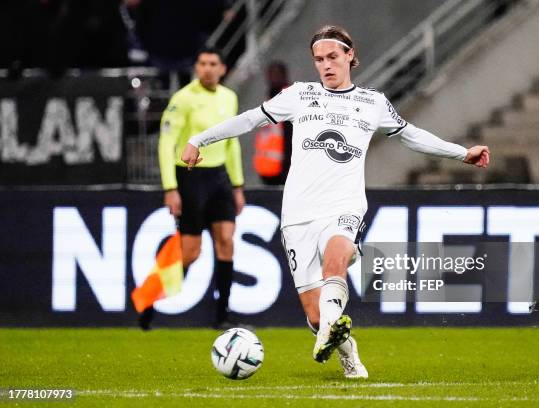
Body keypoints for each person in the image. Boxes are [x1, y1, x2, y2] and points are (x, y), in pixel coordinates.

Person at [181, 26, 490, 378]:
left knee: (335, 260)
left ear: (349, 56)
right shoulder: (299, 95)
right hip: (297, 214)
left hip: (344, 205)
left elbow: (411, 135)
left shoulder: (373, 103)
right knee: (315, 316)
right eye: (318, 59)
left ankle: (331, 331)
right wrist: (200, 139)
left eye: (332, 57)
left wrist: (462, 153)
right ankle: (343, 345)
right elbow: (250, 119)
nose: (325, 65)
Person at [140, 46, 246, 330]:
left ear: (222, 69)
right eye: (202, 63)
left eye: (213, 63)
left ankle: (222, 316)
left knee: (226, 242)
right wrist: (170, 188)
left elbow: (232, 142)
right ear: (197, 68)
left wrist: (237, 185)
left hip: (220, 178)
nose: (207, 68)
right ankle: (148, 302)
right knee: (190, 252)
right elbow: (166, 143)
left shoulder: (229, 97)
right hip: (190, 177)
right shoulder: (183, 99)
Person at [254, 61, 293, 185]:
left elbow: (289, 138)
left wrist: (287, 169)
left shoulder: (287, 99)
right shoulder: (270, 99)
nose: (273, 78)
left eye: (276, 74)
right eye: (271, 74)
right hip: (267, 170)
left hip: (282, 171)